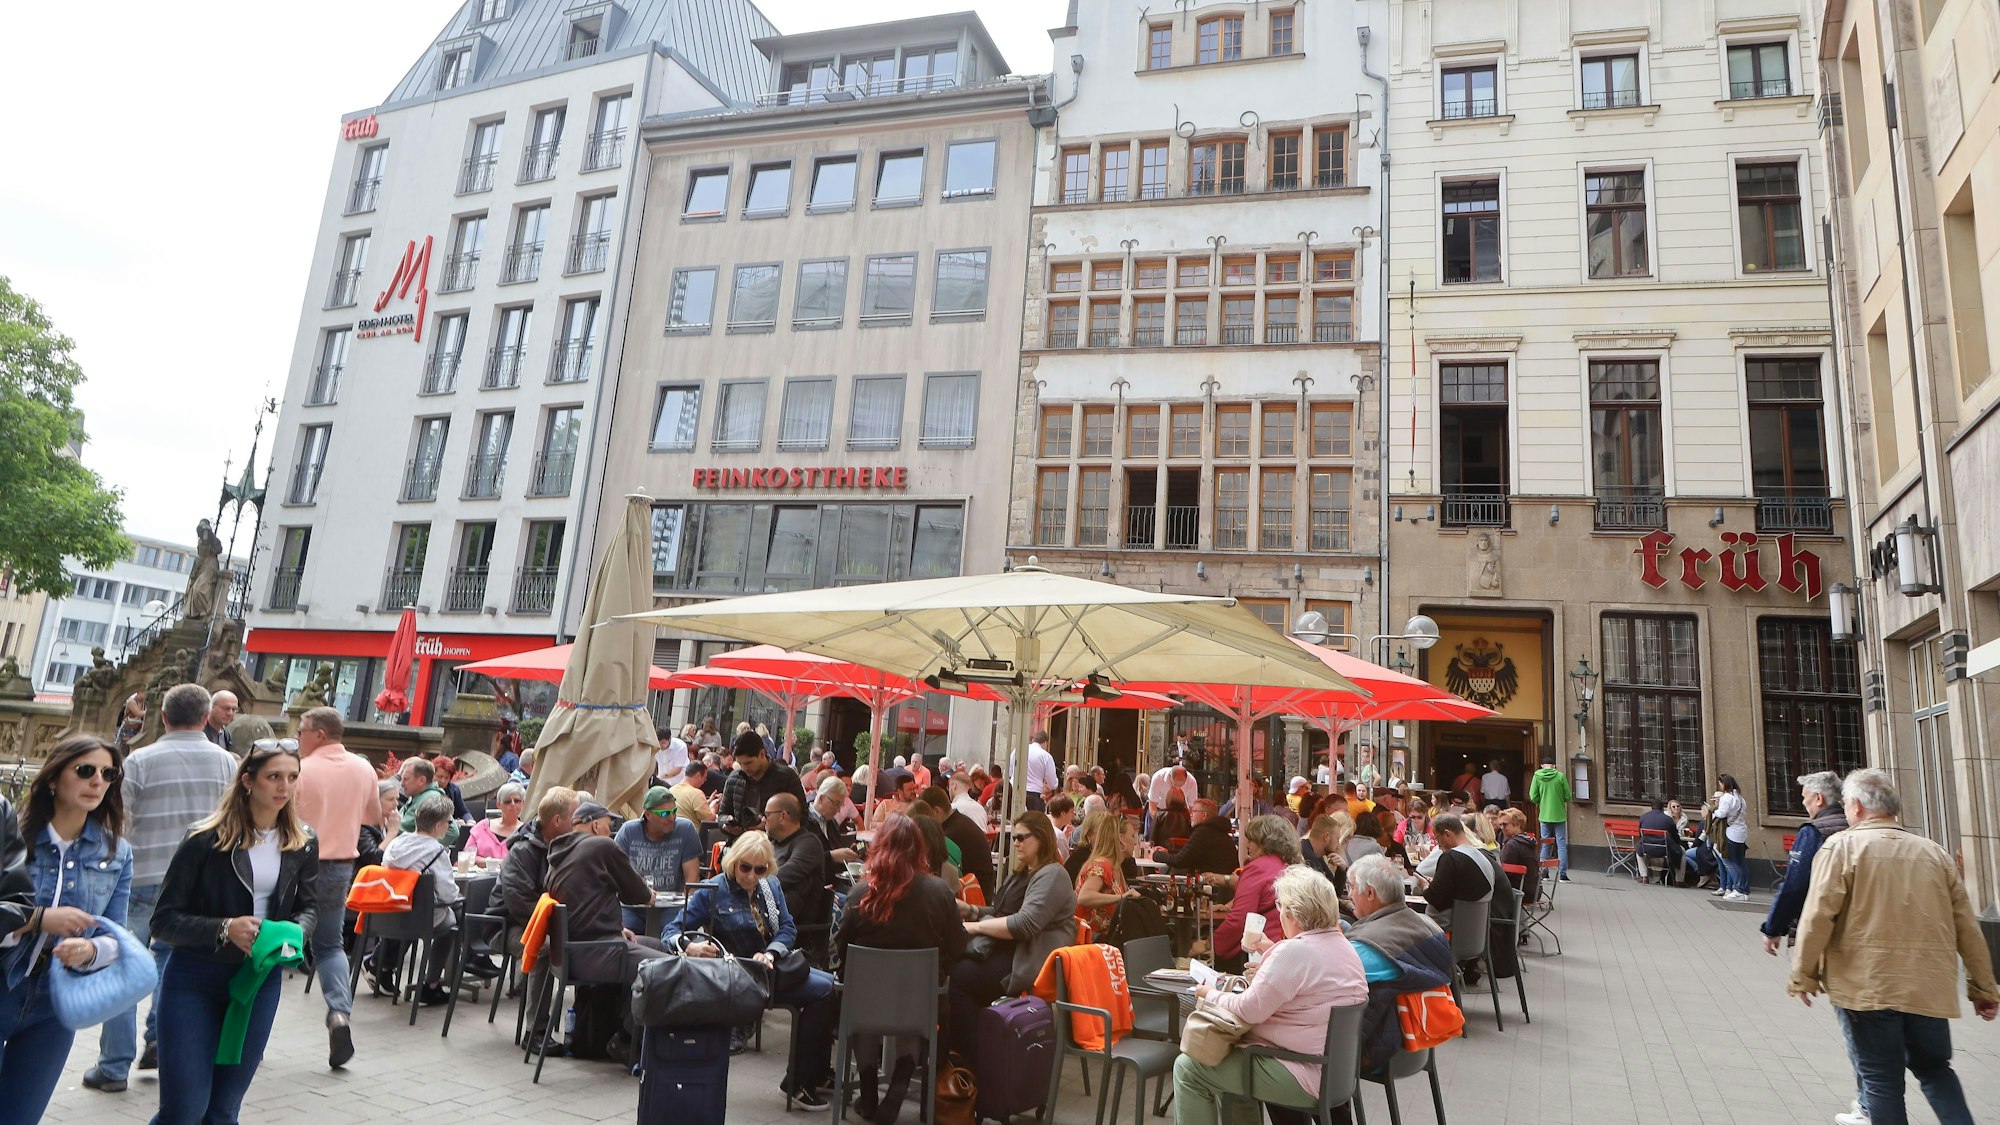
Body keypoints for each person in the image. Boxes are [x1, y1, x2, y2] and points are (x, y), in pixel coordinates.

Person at [1788, 769, 1999, 1125]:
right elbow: (1967, 927)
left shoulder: (1841, 848)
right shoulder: (1934, 852)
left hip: (1868, 988)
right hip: (1928, 989)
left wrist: (1803, 975)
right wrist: (1983, 987)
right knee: (1936, 1071)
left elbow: (1817, 916)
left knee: (1881, 1081)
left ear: (1854, 806)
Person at [149, 739, 319, 1125]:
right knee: (184, 1110)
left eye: (292, 777)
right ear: (247, 780)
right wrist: (225, 928)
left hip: (258, 980)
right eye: (274, 776)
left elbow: (310, 907)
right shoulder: (204, 839)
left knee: (224, 1111)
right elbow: (163, 920)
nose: (284, 787)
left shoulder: (302, 841)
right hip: (194, 978)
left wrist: (294, 933)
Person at [89, 682, 236, 1091]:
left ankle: (114, 1065)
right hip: (199, 884)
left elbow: (119, 820)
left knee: (124, 965)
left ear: (164, 718)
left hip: (143, 875)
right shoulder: (228, 764)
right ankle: (160, 1040)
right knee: (175, 967)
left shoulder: (140, 762)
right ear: (206, 718)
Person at [1171, 866, 1367, 1125]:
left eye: (1280, 905)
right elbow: (1308, 979)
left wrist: (1210, 993)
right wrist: (1270, 952)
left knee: (1188, 1068)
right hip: (1334, 1073)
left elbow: (1249, 1009)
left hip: (1302, 1072)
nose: (1279, 911)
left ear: (1293, 912)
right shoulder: (1344, 946)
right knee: (1231, 1069)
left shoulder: (1295, 951)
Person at [1, 736, 134, 1115]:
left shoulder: (116, 852)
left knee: (21, 1115)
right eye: (85, 771)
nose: (97, 781)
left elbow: (117, 935)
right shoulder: (14, 836)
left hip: (56, 1003)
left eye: (108, 773)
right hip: (3, 982)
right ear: (55, 779)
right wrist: (38, 920)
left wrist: (92, 950)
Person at [666, 832, 835, 1108]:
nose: (752, 876)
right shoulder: (713, 889)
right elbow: (671, 930)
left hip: (770, 968)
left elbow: (787, 928)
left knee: (832, 987)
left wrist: (770, 952)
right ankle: (799, 1081)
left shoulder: (770, 886)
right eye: (745, 867)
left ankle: (813, 1074)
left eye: (760, 869)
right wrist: (690, 946)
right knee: (824, 990)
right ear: (733, 863)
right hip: (739, 976)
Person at [836, 815, 965, 1125]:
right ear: (919, 850)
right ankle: (898, 1087)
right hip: (919, 1002)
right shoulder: (938, 892)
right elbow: (959, 946)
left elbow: (841, 947)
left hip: (863, 1003)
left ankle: (868, 1089)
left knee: (860, 1007)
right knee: (916, 1010)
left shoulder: (859, 894)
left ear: (879, 847)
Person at [545, 801, 670, 1059]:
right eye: (609, 825)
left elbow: (585, 900)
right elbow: (636, 892)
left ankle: (628, 1032)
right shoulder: (601, 845)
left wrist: (616, 926)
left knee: (656, 946)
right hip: (597, 952)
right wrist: (649, 895)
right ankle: (625, 1039)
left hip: (569, 951)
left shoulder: (559, 851)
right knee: (670, 970)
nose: (612, 831)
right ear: (594, 824)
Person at [290, 707, 377, 1068]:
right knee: (329, 945)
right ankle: (339, 1013)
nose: (298, 738)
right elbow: (372, 817)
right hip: (340, 865)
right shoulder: (363, 768)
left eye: (301, 731)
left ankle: (251, 1036)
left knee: (273, 943)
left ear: (319, 734)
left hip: (296, 863)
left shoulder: (301, 769)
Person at [950, 811, 1077, 1059]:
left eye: (1021, 837)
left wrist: (973, 927)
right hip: (1006, 949)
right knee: (947, 967)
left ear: (1041, 838)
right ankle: (954, 1052)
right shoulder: (1024, 871)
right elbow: (1002, 913)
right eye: (1013, 837)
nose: (1016, 843)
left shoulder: (1053, 874)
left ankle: (974, 1062)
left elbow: (1024, 924)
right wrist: (972, 910)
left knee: (958, 981)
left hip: (1026, 961)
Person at [1345, 854, 1456, 1079]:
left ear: (1369, 893)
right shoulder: (1428, 925)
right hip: (1413, 1044)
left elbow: (1319, 984)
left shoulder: (1368, 947)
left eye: (1351, 887)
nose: (1349, 894)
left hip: (1375, 1054)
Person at [378, 793, 462, 1005]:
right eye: (449, 822)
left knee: (419, 912)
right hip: (420, 918)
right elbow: (448, 895)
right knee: (453, 922)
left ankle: (383, 965)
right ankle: (431, 983)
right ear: (438, 826)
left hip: (388, 913)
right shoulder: (435, 851)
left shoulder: (395, 845)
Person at [1209, 815, 1297, 971]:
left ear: (1264, 843)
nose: (1248, 845)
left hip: (1256, 951)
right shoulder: (1285, 865)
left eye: (1251, 840)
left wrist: (1209, 944)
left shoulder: (1258, 868)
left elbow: (1239, 919)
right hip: (1282, 946)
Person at [614, 787, 702, 930]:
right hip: (633, 905)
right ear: (648, 814)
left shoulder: (685, 829)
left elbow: (692, 878)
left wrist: (688, 907)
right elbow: (617, 872)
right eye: (665, 813)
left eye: (674, 811)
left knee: (673, 934)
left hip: (671, 905)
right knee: (621, 933)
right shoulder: (629, 831)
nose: (671, 818)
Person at [764, 793, 831, 954]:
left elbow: (782, 876)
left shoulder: (808, 843)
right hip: (768, 915)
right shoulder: (774, 843)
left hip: (792, 931)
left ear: (783, 816)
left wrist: (753, 880)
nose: (763, 819)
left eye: (767, 814)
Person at [1416, 813, 1494, 946]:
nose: (1438, 845)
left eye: (1437, 839)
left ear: (1447, 834)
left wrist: (1424, 885)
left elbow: (1434, 897)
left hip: (1444, 933)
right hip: (1474, 935)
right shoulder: (1482, 857)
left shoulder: (1450, 858)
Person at [719, 730, 806, 836]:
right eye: (740, 763)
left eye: (748, 763)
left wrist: (769, 827)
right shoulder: (734, 778)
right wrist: (726, 822)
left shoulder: (786, 777)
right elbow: (722, 814)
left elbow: (802, 816)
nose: (744, 768)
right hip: (740, 843)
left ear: (762, 754)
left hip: (776, 846)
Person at [921, 787, 996, 901]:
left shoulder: (949, 835)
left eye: (925, 815)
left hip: (974, 897)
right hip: (982, 890)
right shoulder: (960, 822)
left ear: (936, 811)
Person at [1073, 810, 1140, 938]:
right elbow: (1084, 897)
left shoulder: (1115, 866)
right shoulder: (1101, 865)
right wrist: (1122, 897)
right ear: (1121, 839)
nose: (1135, 842)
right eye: (1132, 836)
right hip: (1094, 941)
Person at [1153, 797, 1236, 879]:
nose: (1190, 814)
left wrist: (1155, 855)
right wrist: (1168, 851)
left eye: (1194, 811)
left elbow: (1180, 861)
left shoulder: (1203, 832)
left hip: (1208, 884)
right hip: (1223, 883)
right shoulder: (1220, 832)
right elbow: (1191, 854)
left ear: (1204, 815)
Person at [396, 757, 461, 847]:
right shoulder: (417, 795)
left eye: (406, 779)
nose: (402, 783)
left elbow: (452, 831)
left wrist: (422, 849)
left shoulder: (431, 798)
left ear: (421, 780)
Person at [1527, 755, 1572, 882]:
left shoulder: (1537, 776)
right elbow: (1568, 796)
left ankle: (1544, 873)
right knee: (1561, 844)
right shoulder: (1560, 776)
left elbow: (1533, 795)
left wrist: (1541, 802)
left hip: (1545, 814)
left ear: (1542, 766)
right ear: (1554, 765)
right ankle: (1562, 874)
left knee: (1546, 844)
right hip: (1559, 814)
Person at [1712, 774, 1750, 901]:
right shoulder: (1740, 798)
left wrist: (1714, 812)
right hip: (1741, 832)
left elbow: (1722, 813)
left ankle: (1738, 889)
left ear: (1725, 784)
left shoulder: (1727, 797)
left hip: (1732, 832)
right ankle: (1744, 890)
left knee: (1730, 861)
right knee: (1741, 862)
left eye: (1720, 784)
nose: (1720, 786)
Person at [466, 782, 526, 860]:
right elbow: (467, 855)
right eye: (507, 801)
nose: (513, 804)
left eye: (517, 801)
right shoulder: (482, 827)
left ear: (523, 804)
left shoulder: (527, 831)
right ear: (498, 805)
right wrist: (491, 863)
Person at [1496, 808, 1542, 907]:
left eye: (1505, 824)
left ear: (1517, 825)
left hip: (1520, 892)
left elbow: (1503, 873)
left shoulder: (1512, 845)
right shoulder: (1528, 841)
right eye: (1500, 824)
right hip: (1535, 890)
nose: (1502, 828)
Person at [1009, 730, 1060, 812]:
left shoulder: (1017, 750)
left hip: (1014, 790)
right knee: (1033, 823)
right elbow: (1052, 784)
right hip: (1033, 794)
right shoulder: (1046, 756)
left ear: (1033, 740)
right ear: (1045, 743)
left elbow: (1010, 772)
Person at [1635, 797, 1683, 884]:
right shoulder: (1668, 819)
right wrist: (1677, 845)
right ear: (1662, 808)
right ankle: (1679, 880)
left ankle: (1644, 876)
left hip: (1646, 848)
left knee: (1638, 850)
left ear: (1651, 807)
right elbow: (1675, 837)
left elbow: (1640, 835)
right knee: (1682, 851)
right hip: (1664, 850)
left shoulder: (1643, 817)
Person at [357, 779, 399, 871]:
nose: (396, 804)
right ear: (376, 800)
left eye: (397, 799)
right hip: (365, 878)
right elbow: (373, 859)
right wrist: (392, 833)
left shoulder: (390, 822)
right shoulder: (364, 825)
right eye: (390, 799)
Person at [1045, 794, 1079, 859]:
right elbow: (1066, 860)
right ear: (1063, 814)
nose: (1073, 815)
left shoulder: (1044, 823)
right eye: (1071, 811)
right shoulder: (1059, 836)